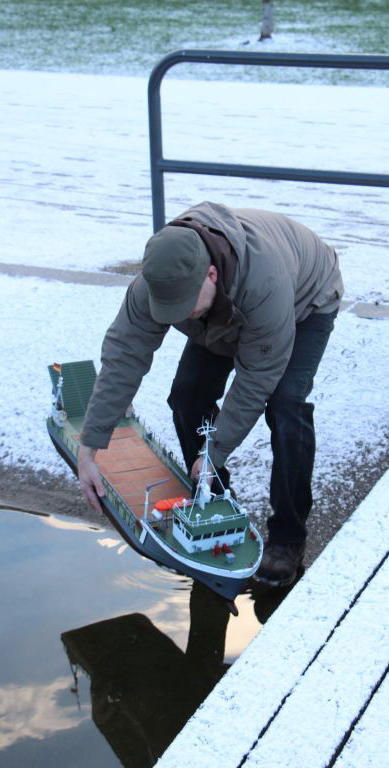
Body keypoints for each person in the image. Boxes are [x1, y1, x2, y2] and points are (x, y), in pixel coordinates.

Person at [78, 201, 343, 586]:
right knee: (187, 395)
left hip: (303, 302)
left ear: (211, 274)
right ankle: (212, 503)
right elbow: (124, 357)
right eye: (169, 309)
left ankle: (288, 538)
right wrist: (90, 444)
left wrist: (214, 450)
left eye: (184, 306)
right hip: (224, 310)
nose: (179, 315)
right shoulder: (160, 279)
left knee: (286, 404)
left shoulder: (265, 283)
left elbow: (255, 379)